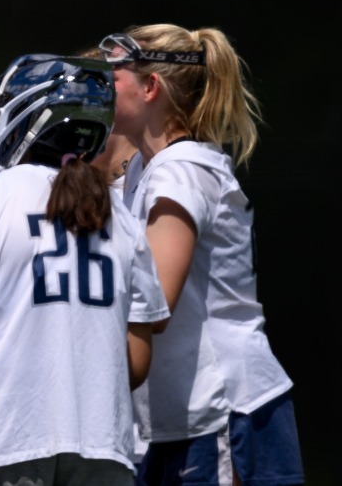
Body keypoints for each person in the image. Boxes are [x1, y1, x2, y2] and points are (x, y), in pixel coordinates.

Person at [0, 54, 167, 486]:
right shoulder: (122, 216)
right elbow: (135, 364)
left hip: (3, 444)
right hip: (102, 447)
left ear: (30, 118)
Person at [101, 25, 301, 486]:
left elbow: (155, 303)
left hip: (223, 408)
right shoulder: (143, 172)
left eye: (112, 77)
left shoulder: (181, 168)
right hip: (180, 419)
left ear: (150, 87)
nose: (99, 88)